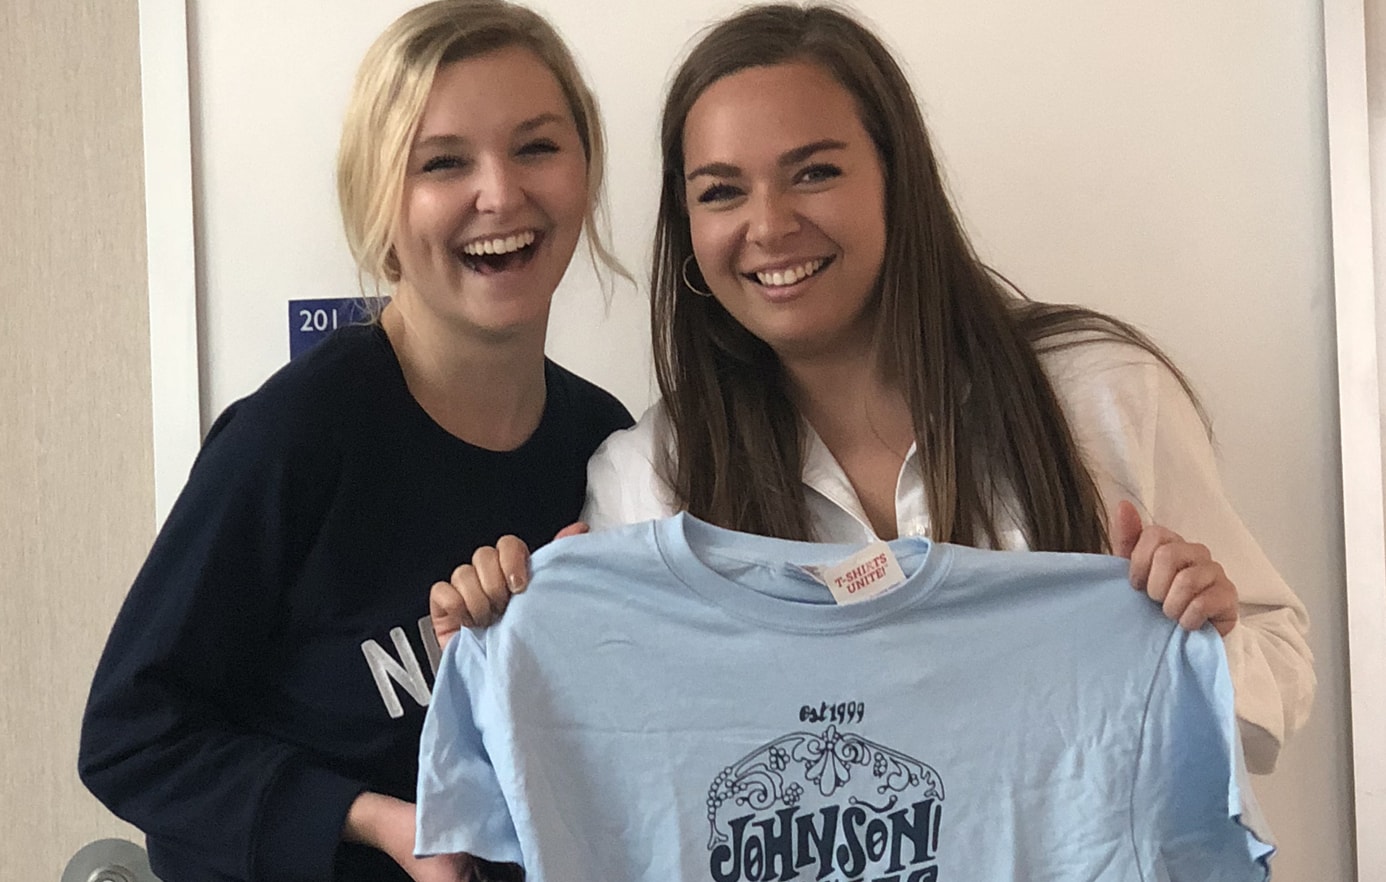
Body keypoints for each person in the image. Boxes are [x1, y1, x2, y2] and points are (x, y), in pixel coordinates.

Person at [431, 2, 1313, 776]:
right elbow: (617, 766)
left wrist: (1204, 635)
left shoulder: (1101, 396)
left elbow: (1279, 677)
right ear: (688, 227)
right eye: (721, 191)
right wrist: (510, 647)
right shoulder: (648, 478)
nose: (770, 225)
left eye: (815, 171)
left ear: (898, 178)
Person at [77, 3, 631, 881]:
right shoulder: (292, 439)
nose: (501, 192)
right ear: (382, 202)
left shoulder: (611, 454)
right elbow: (131, 735)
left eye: (536, 147)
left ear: (587, 168)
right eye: (443, 162)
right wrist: (376, 820)